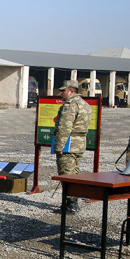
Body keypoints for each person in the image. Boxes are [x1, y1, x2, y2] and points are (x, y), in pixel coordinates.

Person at [53, 79, 92, 214]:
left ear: (71, 91)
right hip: (79, 144)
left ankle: (70, 205)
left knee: (66, 175)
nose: (61, 94)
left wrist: (58, 147)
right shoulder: (85, 104)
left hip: (68, 144)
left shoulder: (70, 105)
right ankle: (72, 202)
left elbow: (65, 128)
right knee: (74, 173)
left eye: (63, 91)